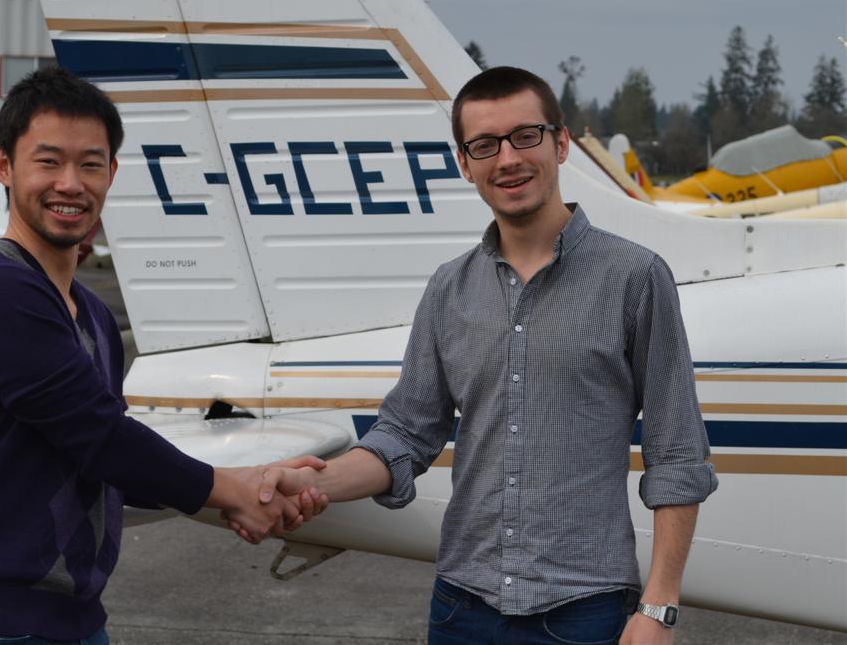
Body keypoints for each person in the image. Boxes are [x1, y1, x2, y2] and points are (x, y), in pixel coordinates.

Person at [257, 66, 718, 645]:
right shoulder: (449, 289)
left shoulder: (636, 278)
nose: (508, 159)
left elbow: (677, 453)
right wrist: (315, 483)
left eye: (526, 136)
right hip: (462, 608)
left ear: (561, 142)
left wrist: (658, 610)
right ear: (464, 163)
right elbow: (406, 433)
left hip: (584, 611)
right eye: (485, 145)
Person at [0, 67, 321, 645]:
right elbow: (96, 435)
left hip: (72, 621)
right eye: (48, 161)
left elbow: (105, 465)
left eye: (90, 164)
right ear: (4, 166)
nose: (71, 183)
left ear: (112, 173)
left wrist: (253, 481)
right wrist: (234, 494)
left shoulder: (92, 315)